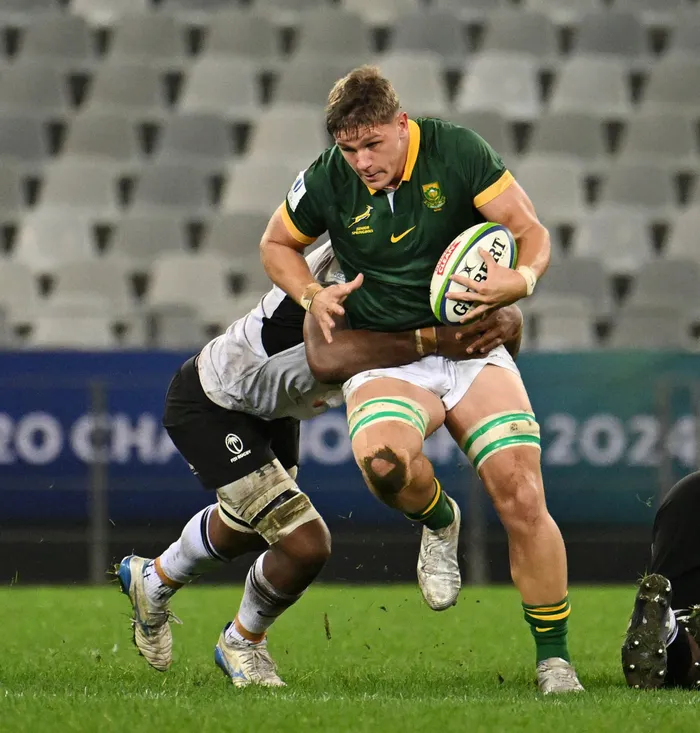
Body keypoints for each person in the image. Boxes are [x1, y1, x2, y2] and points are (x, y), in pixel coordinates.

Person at [260, 65, 583, 694]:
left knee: (522, 494)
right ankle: (439, 519)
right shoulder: (327, 177)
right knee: (383, 466)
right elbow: (276, 244)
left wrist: (522, 280)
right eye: (349, 149)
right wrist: (311, 295)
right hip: (386, 354)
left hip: (469, 345)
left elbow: (530, 230)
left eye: (372, 144)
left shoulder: (457, 151)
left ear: (401, 124)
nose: (361, 161)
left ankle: (555, 661)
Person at [117, 241, 523, 687]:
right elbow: (330, 359)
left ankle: (152, 579)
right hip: (217, 400)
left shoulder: (408, 249)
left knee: (246, 526)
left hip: (275, 409)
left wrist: (506, 318)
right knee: (305, 544)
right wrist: (440, 340)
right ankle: (242, 642)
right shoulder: (354, 262)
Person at [622, 471, 700, 689]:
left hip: (684, 505)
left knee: (685, 627)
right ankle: (674, 634)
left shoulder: (688, 488)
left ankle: (671, 628)